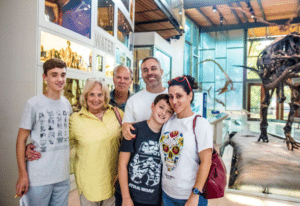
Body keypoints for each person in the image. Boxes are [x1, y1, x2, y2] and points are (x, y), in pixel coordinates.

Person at [16, 58, 72, 206]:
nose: (60, 79)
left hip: (62, 177)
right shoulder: (33, 104)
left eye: (63, 75)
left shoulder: (67, 104)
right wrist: (22, 175)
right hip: (38, 178)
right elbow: (21, 140)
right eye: (54, 75)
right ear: (44, 77)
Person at [159, 75, 213, 206]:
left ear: (190, 96)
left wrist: (195, 194)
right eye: (171, 97)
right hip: (167, 194)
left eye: (179, 96)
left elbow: (206, 161)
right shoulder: (168, 122)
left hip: (189, 195)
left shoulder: (200, 124)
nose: (174, 101)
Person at [69, 78, 123, 206]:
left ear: (105, 97)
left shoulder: (117, 114)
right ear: (85, 96)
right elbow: (62, 144)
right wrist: (31, 147)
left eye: (100, 95)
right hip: (88, 185)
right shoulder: (75, 119)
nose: (96, 99)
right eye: (91, 94)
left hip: (112, 183)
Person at [115, 94, 174, 206]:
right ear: (153, 106)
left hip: (152, 200)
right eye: (161, 107)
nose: (163, 113)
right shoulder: (133, 130)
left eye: (169, 111)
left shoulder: (167, 138)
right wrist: (126, 198)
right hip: (128, 196)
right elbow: (122, 164)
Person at [122, 57, 168, 139]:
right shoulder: (133, 101)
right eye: (145, 70)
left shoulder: (173, 98)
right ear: (142, 75)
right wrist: (125, 127)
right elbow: (127, 129)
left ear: (161, 72)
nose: (149, 73)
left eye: (153, 69)